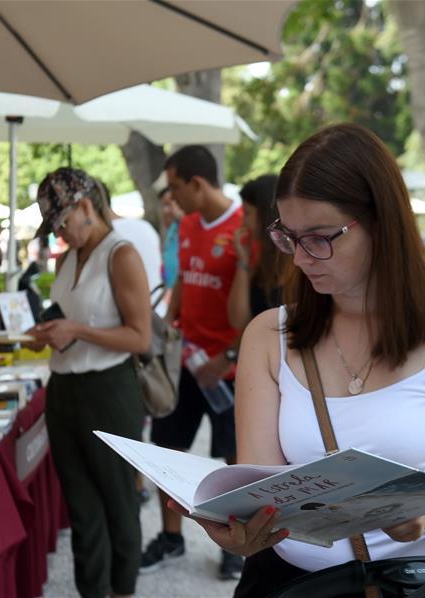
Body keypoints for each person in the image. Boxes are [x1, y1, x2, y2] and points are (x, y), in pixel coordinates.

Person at [168, 124, 425, 597]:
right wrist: (241, 528)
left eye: (319, 237)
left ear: (381, 222)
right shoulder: (269, 336)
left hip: (411, 584)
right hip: (286, 585)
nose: (300, 258)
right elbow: (257, 487)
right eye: (287, 236)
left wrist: (422, 512)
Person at [24, 167, 151, 598]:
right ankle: (92, 590)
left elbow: (140, 336)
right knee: (81, 507)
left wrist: (78, 331)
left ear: (85, 206)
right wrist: (50, 334)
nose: (60, 233)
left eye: (62, 222)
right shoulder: (68, 258)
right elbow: (67, 319)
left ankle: (122, 589)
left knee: (118, 501)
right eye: (54, 226)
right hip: (64, 392)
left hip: (109, 391)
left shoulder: (121, 253)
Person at [142, 145, 245, 580]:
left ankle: (237, 546)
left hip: (230, 370)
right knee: (167, 450)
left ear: (197, 183)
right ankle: (171, 537)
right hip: (185, 362)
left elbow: (251, 305)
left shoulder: (243, 228)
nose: (172, 196)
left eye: (175, 186)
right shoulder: (183, 226)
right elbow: (183, 282)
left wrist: (227, 357)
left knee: (236, 462)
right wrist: (166, 330)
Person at [229, 174, 283, 331]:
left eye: (247, 213)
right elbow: (238, 320)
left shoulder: (293, 262)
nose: (243, 222)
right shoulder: (261, 259)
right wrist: (242, 262)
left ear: (265, 214)